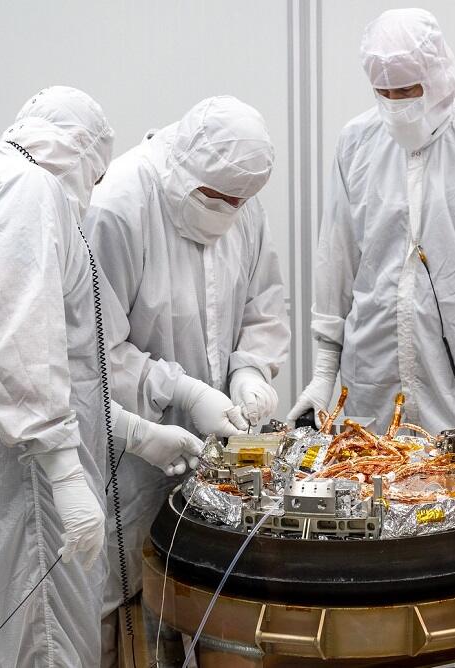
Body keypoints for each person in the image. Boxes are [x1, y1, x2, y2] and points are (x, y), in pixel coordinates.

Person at [0, 86, 202, 668]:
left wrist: (140, 434)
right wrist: (66, 474)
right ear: (82, 159)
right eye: (94, 181)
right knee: (41, 648)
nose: (91, 198)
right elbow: (21, 351)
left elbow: (29, 372)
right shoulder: (29, 191)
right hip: (21, 491)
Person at [288, 9, 455, 481]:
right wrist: (324, 372)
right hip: (372, 378)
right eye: (384, 93)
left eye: (407, 91)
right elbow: (337, 258)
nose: (396, 106)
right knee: (375, 507)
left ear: (439, 75)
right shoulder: (357, 143)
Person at [81, 94, 289, 589]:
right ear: (184, 167)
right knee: (134, 597)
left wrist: (250, 370)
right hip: (133, 451)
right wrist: (186, 392)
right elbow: (93, 351)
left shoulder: (240, 196)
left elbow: (263, 304)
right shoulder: (119, 206)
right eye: (216, 199)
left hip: (218, 460)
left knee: (209, 598)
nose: (229, 211)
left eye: (239, 202)